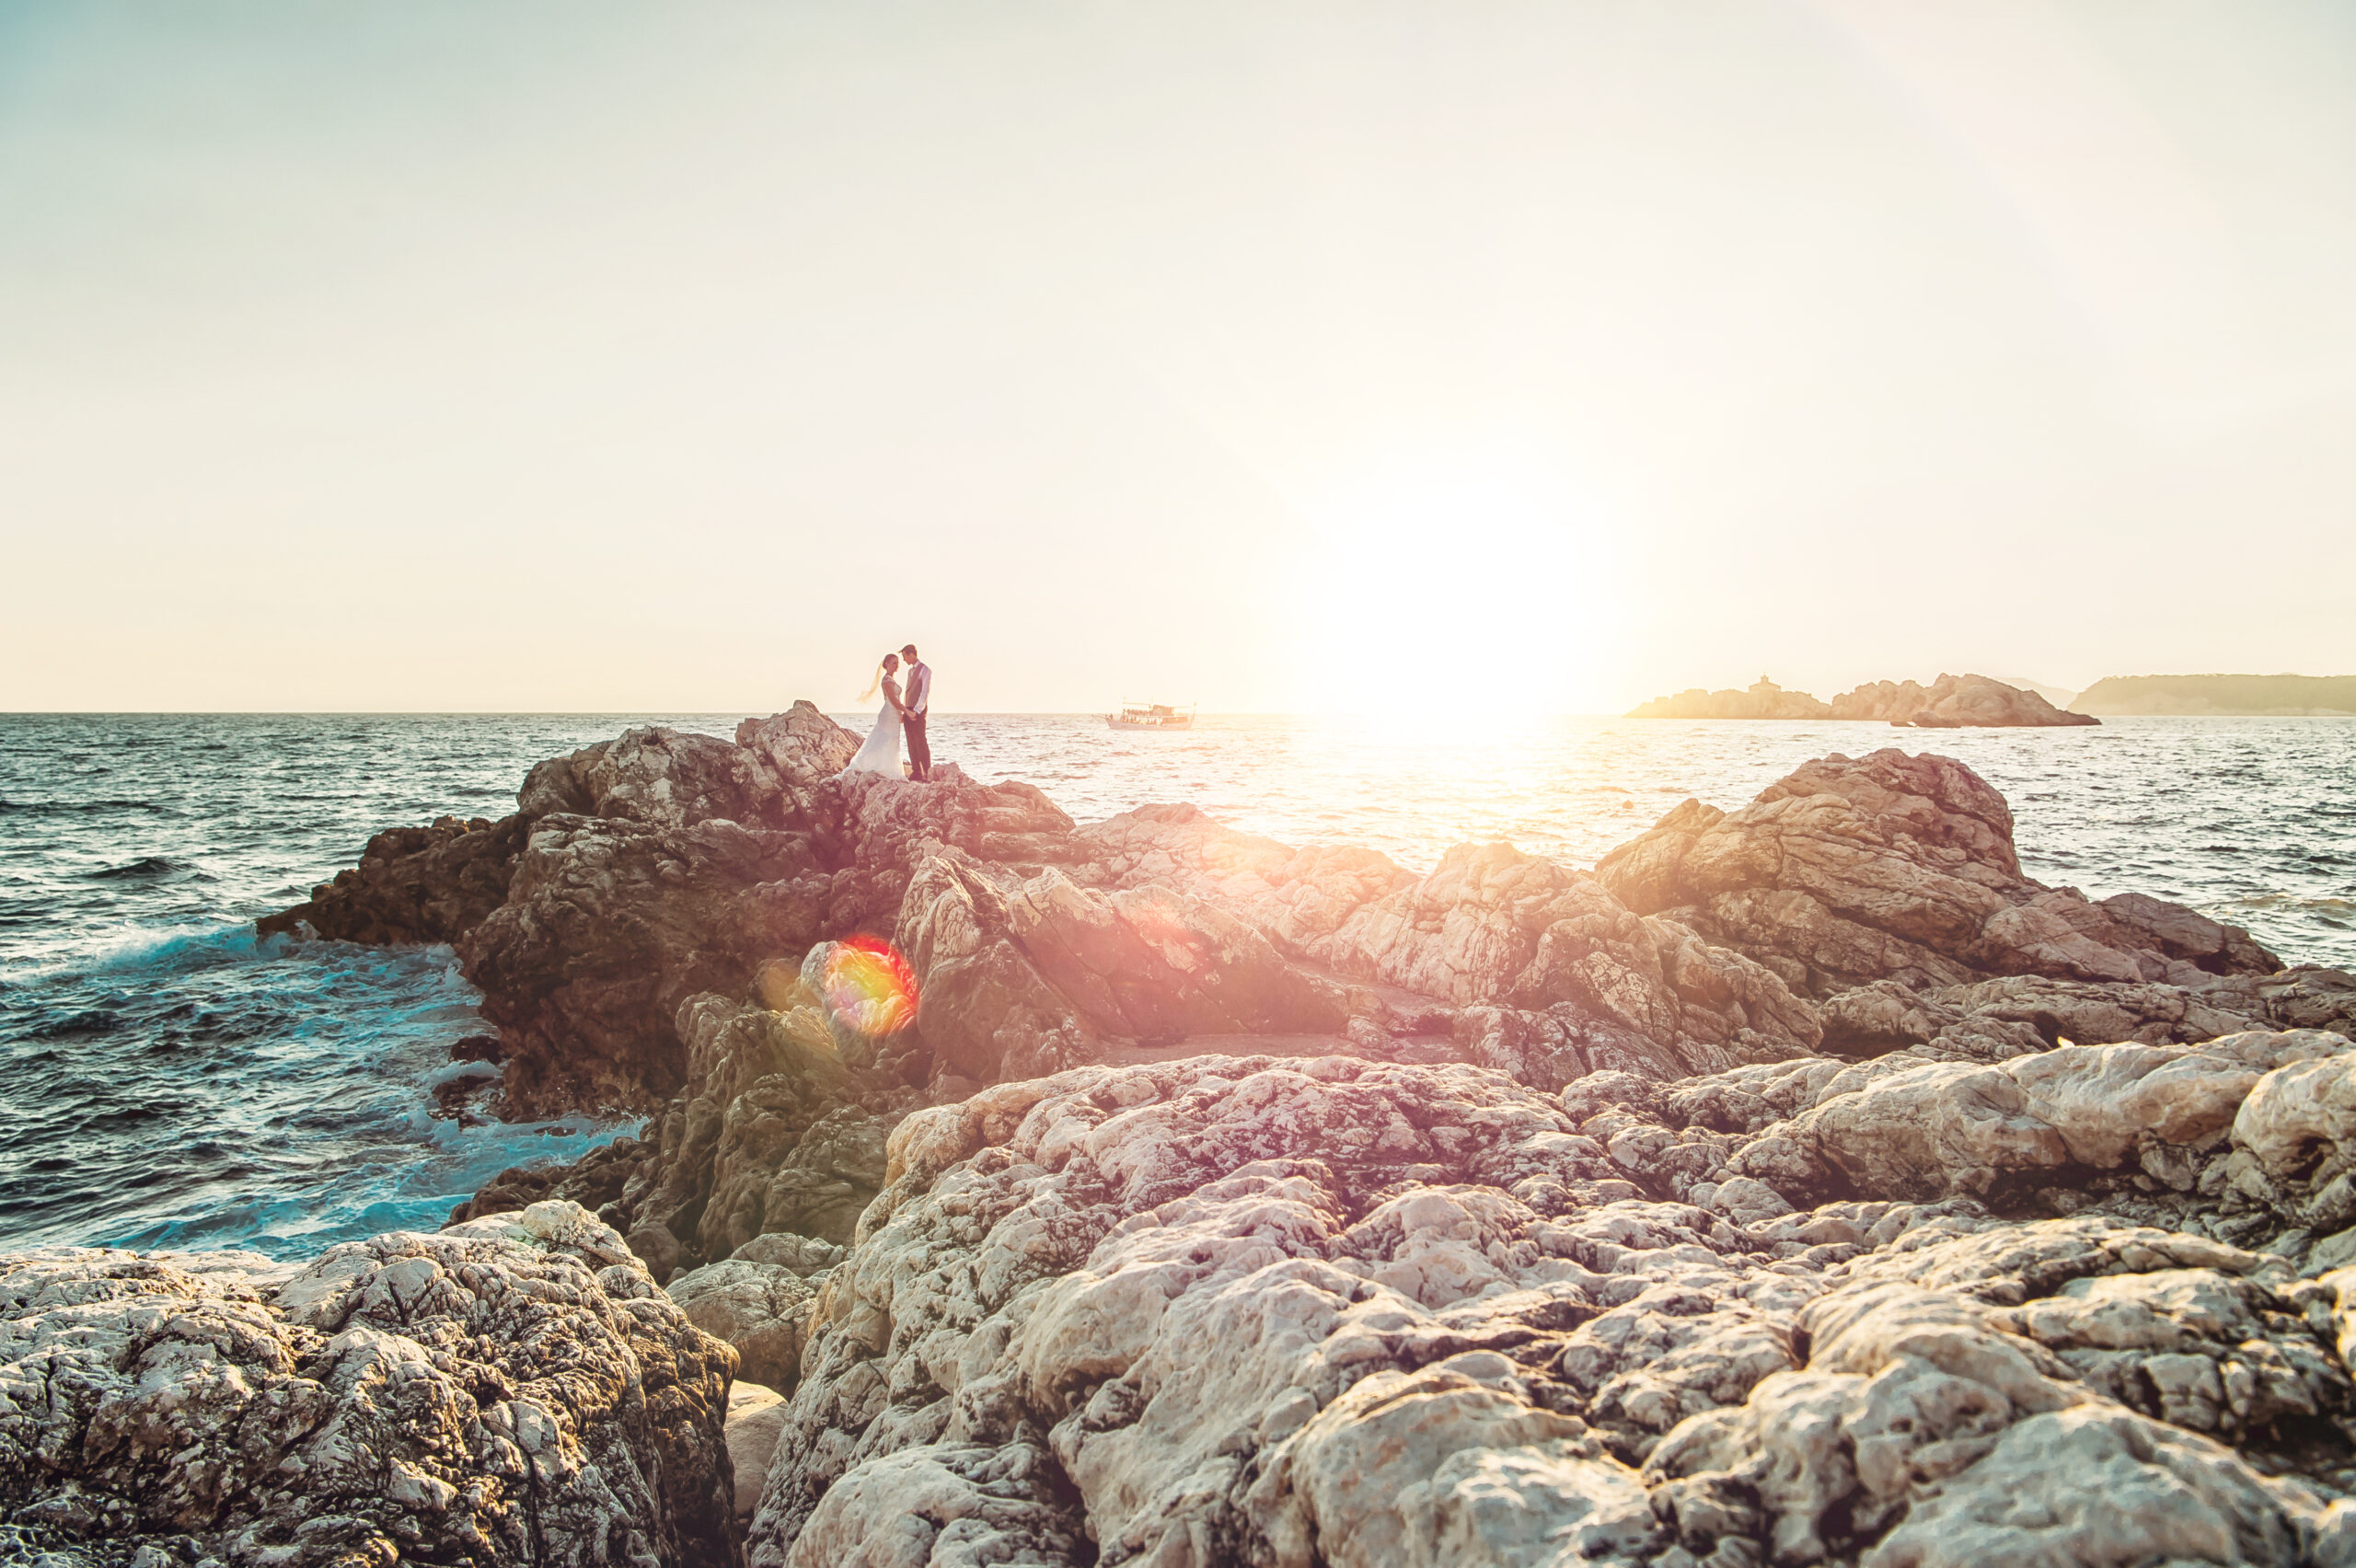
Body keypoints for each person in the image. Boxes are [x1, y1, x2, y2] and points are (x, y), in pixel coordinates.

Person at [839, 653, 907, 777]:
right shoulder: (887, 680)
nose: (896, 666)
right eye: (893, 663)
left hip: (895, 714)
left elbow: (896, 700)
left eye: (897, 663)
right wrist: (906, 711)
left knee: (891, 740)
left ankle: (889, 768)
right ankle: (873, 765)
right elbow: (892, 699)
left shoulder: (892, 680)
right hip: (889, 714)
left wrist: (901, 713)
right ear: (886, 664)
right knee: (883, 739)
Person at [899, 644, 932, 781]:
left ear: (911, 654)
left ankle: (927, 771)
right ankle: (916, 771)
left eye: (904, 656)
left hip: (918, 710)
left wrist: (917, 711)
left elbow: (924, 693)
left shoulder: (925, 670)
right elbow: (908, 693)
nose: (904, 660)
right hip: (908, 709)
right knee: (911, 741)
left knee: (920, 740)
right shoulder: (909, 672)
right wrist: (905, 711)